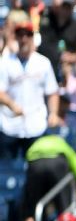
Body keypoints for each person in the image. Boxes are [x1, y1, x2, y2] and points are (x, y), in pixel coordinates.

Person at [0, 18, 58, 152]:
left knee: (35, 168)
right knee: (7, 170)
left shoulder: (43, 62)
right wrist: (12, 104)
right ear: (15, 37)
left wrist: (53, 113)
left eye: (27, 34)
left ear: (33, 37)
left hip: (35, 123)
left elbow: (52, 91)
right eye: (20, 35)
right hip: (10, 124)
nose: (24, 38)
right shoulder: (5, 62)